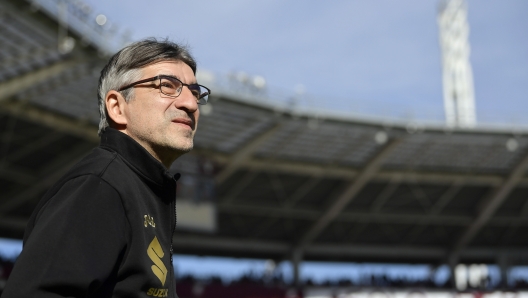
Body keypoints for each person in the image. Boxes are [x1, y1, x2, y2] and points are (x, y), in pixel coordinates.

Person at [2, 38, 210, 298]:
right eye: (167, 86)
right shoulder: (100, 186)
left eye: (194, 92)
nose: (190, 104)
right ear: (117, 107)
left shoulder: (142, 187)